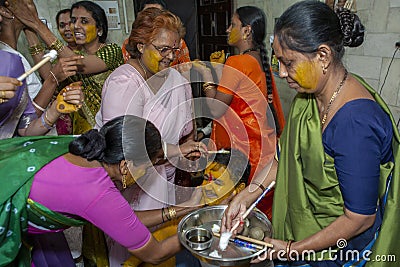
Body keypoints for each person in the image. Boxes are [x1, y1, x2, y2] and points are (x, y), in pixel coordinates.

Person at [222, 1, 400, 266]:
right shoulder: (309, 98)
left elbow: (360, 217)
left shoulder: (355, 123)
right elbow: (283, 159)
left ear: (323, 56)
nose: (281, 73)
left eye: (289, 63)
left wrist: (294, 248)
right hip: (304, 226)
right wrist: (248, 194)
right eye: (277, 61)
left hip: (338, 249)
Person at [0, 115, 204, 266]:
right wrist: (201, 229)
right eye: (146, 167)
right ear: (125, 166)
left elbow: (124, 220)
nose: (145, 174)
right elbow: (154, 254)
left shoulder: (85, 146)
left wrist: (183, 209)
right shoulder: (97, 193)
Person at [95, 7, 201, 266]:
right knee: (131, 249)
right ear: (140, 45)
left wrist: (189, 150)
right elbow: (126, 150)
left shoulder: (176, 79)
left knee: (163, 246)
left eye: (175, 50)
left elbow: (187, 129)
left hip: (163, 178)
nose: (170, 57)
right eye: (163, 49)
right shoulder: (124, 83)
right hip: (129, 183)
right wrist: (175, 151)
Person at [193, 6, 279, 219]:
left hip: (242, 149)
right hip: (260, 145)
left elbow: (215, 108)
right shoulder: (257, 59)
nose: (227, 29)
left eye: (233, 24)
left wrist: (206, 74)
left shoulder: (238, 61)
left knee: (235, 206)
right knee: (255, 209)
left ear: (246, 31)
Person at [8, 0, 124, 134]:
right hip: (83, 130)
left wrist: (36, 23)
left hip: (112, 127)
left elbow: (81, 64)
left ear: (100, 29)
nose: (76, 26)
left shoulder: (112, 51)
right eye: (74, 20)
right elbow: (49, 76)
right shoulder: (71, 55)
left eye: (84, 21)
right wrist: (29, 28)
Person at [121, 0, 191, 68]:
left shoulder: (179, 43)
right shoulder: (129, 76)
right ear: (141, 47)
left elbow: (186, 70)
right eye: (148, 16)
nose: (170, 57)